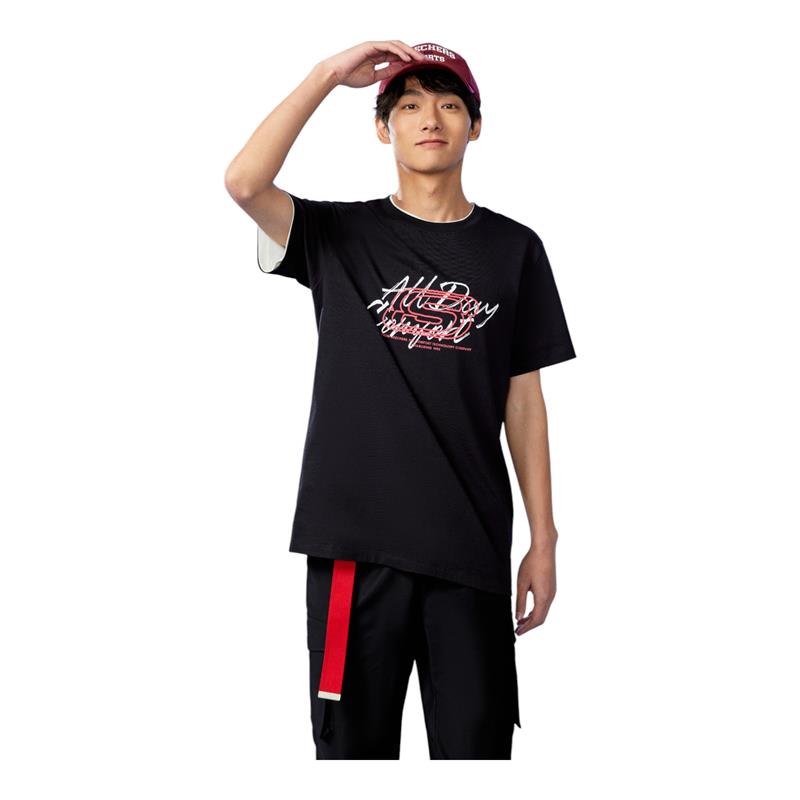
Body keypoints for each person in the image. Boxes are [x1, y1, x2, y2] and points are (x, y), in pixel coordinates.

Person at [224, 40, 577, 759]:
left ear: (475, 126)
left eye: (449, 104)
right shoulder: (337, 236)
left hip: (471, 550)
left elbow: (525, 403)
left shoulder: (514, 249)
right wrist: (327, 75)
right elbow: (243, 181)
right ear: (383, 128)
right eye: (409, 105)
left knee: (476, 757)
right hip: (355, 554)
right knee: (354, 759)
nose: (430, 119)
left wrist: (543, 540)